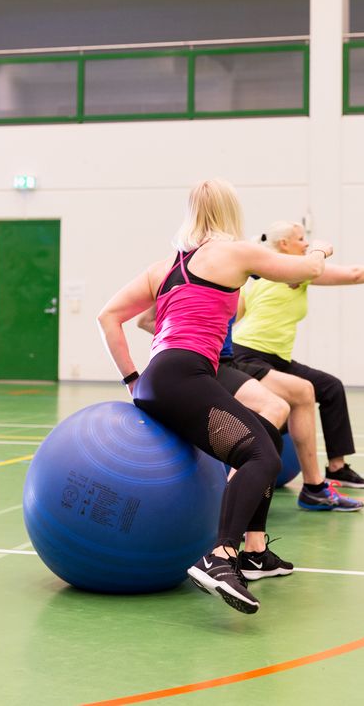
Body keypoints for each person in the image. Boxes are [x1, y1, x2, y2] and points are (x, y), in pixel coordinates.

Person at [97, 180, 332, 615]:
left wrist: (132, 378)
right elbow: (308, 272)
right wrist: (319, 248)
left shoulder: (165, 266)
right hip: (186, 374)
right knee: (262, 457)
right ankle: (220, 556)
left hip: (157, 379)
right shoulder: (234, 251)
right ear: (229, 212)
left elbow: (108, 316)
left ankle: (254, 552)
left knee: (261, 431)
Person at [233, 220, 364, 490]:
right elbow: (354, 273)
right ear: (284, 244)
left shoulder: (263, 273)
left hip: (275, 357)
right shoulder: (292, 272)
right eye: (301, 239)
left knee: (330, 388)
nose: (306, 244)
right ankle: (267, 472)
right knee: (293, 398)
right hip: (248, 354)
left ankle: (337, 468)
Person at [137, 309, 363, 512]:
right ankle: (230, 502)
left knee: (303, 391)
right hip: (204, 364)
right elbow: (144, 320)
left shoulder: (236, 282)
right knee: (274, 407)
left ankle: (313, 489)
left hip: (229, 361)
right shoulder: (187, 277)